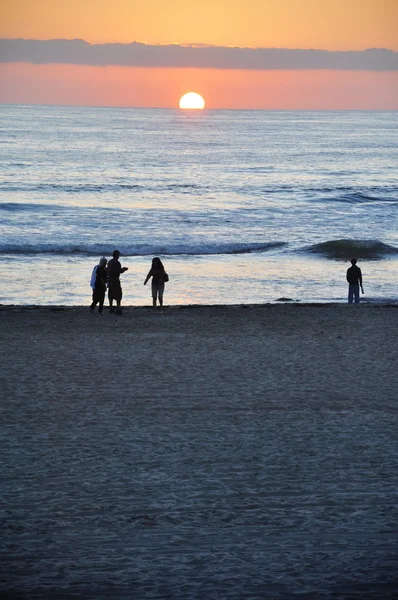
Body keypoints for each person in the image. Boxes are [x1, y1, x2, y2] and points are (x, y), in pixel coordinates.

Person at [107, 250, 128, 315]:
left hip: (110, 280)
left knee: (111, 294)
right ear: (117, 255)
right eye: (118, 255)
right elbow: (119, 271)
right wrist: (124, 269)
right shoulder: (117, 263)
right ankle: (118, 308)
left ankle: (111, 308)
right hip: (115, 280)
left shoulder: (109, 262)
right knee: (118, 294)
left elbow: (108, 270)